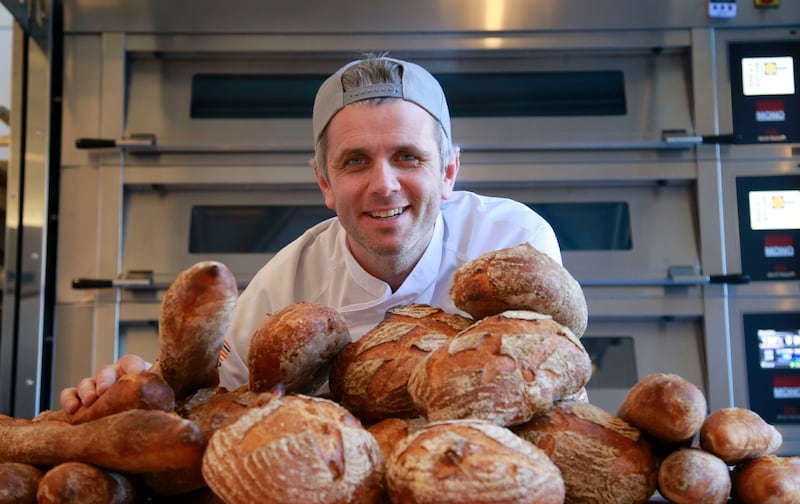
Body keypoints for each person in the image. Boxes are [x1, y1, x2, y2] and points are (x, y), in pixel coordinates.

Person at [60, 54, 561, 412]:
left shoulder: (511, 244)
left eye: (408, 156)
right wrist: (145, 383)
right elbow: (214, 396)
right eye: (356, 161)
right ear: (325, 182)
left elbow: (553, 386)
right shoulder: (288, 285)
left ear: (448, 172)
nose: (384, 185)